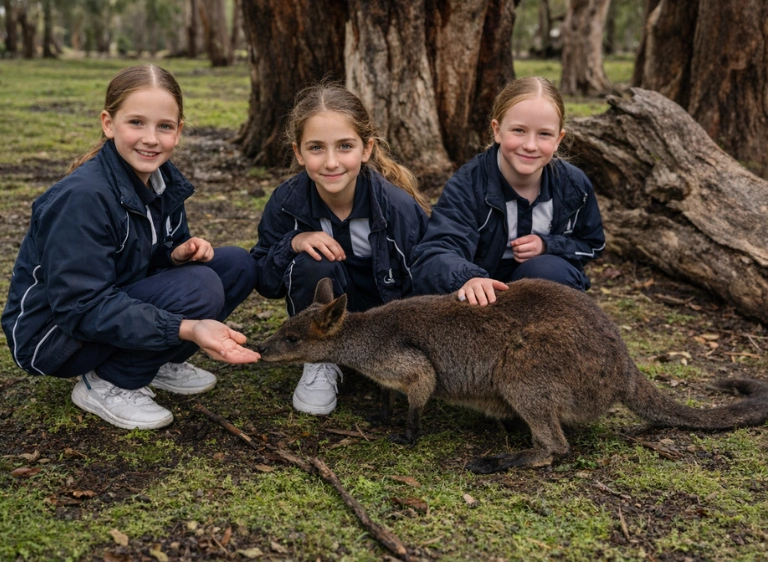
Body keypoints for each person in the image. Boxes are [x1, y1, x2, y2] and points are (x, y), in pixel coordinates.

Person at [1, 65, 260, 431]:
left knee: (235, 264)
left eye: (164, 126)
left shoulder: (162, 180)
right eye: (136, 123)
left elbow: (135, 260)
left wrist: (173, 254)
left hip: (106, 306)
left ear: (179, 131)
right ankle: (110, 382)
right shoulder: (83, 198)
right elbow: (80, 307)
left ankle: (158, 361)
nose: (151, 139)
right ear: (108, 124)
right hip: (53, 337)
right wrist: (187, 328)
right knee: (199, 287)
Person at [251, 83, 429, 415]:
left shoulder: (397, 208)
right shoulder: (287, 202)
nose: (331, 162)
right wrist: (292, 243)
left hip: (384, 328)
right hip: (325, 325)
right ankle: (319, 363)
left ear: (366, 148)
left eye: (345, 146)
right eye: (316, 148)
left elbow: (427, 277)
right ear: (298, 153)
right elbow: (264, 278)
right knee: (313, 260)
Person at [412, 76, 605, 304]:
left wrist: (548, 245)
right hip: (482, 298)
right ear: (497, 130)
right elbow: (438, 250)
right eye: (519, 130)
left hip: (540, 294)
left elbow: (592, 244)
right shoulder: (469, 184)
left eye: (544, 134)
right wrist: (468, 278)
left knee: (550, 271)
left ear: (558, 139)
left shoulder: (573, 185)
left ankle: (554, 337)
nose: (530, 145)